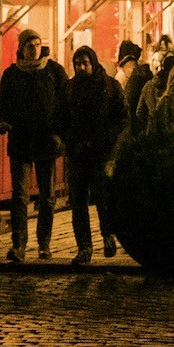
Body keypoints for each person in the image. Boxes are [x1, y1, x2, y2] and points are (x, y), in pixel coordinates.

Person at [0, 30, 63, 262]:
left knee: (47, 196)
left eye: (37, 43)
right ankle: (19, 245)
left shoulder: (53, 71)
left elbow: (64, 103)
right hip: (21, 141)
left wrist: (59, 134)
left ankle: (44, 244)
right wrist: (3, 121)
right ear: (21, 48)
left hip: (46, 140)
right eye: (29, 45)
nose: (34, 48)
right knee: (20, 196)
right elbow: (2, 104)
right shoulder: (12, 74)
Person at [63, 45, 125, 265]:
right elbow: (61, 118)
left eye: (85, 63)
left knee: (103, 199)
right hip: (77, 154)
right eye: (78, 63)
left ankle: (108, 236)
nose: (81, 67)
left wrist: (107, 143)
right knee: (78, 204)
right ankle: (84, 247)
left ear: (93, 62)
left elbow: (121, 119)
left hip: (101, 152)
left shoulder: (109, 86)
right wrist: (69, 142)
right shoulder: (69, 88)